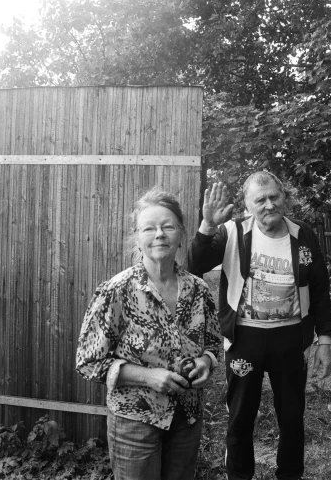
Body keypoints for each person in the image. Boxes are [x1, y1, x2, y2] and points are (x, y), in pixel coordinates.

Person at [188, 171, 331, 480]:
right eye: (260, 200)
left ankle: (290, 475)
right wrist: (206, 226)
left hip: (291, 340)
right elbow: (194, 264)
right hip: (245, 339)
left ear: (284, 197)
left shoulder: (303, 234)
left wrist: (325, 340)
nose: (268, 205)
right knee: (240, 417)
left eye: (274, 197)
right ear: (247, 205)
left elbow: (320, 290)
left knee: (292, 417)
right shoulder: (231, 232)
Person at [76, 189, 222, 480]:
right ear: (137, 236)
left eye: (168, 226)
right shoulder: (116, 291)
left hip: (187, 417)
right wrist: (149, 377)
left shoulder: (198, 289)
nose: (160, 234)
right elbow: (88, 362)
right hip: (135, 420)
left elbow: (212, 344)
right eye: (149, 228)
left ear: (181, 233)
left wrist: (205, 363)